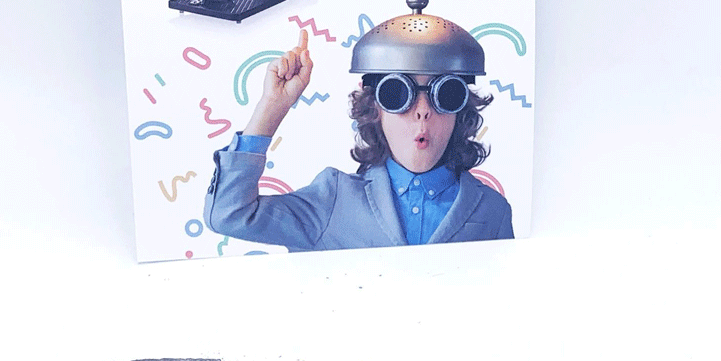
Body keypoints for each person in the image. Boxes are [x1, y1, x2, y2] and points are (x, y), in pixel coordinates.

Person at [204, 29, 513, 251]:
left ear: (460, 111)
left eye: (445, 94)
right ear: (375, 108)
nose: (422, 111)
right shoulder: (334, 199)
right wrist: (272, 106)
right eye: (397, 94)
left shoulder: (491, 210)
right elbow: (230, 215)